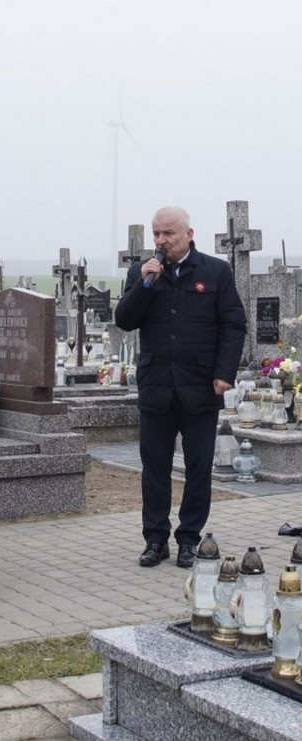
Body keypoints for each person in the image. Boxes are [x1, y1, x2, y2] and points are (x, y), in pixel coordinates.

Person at [115, 206, 245, 569]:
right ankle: (155, 539)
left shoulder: (215, 271)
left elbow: (233, 325)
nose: (160, 241)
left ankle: (189, 539)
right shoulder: (141, 273)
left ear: (188, 234)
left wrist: (224, 373)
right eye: (156, 234)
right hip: (157, 385)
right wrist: (143, 283)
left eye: (168, 233)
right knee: (154, 467)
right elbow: (124, 320)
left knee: (198, 468)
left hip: (201, 387)